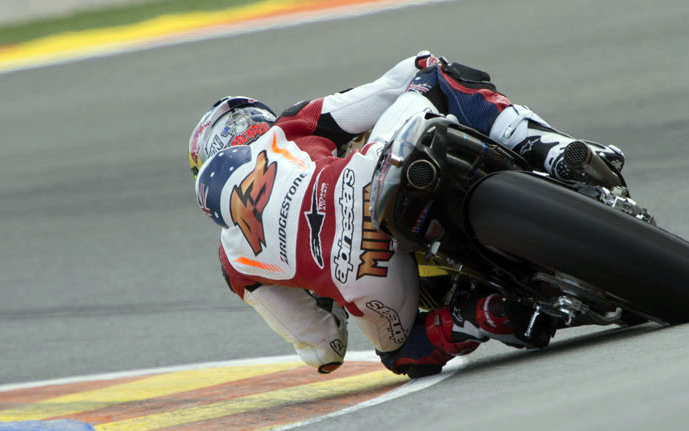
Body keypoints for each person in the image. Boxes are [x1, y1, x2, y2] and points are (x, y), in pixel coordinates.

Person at [188, 52, 626, 377]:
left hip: (360, 268)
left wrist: (323, 295)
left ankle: (477, 318)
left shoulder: (235, 263)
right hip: (366, 175)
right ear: (255, 125)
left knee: (399, 354)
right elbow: (390, 87)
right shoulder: (288, 128)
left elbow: (325, 347)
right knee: (434, 74)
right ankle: (545, 148)